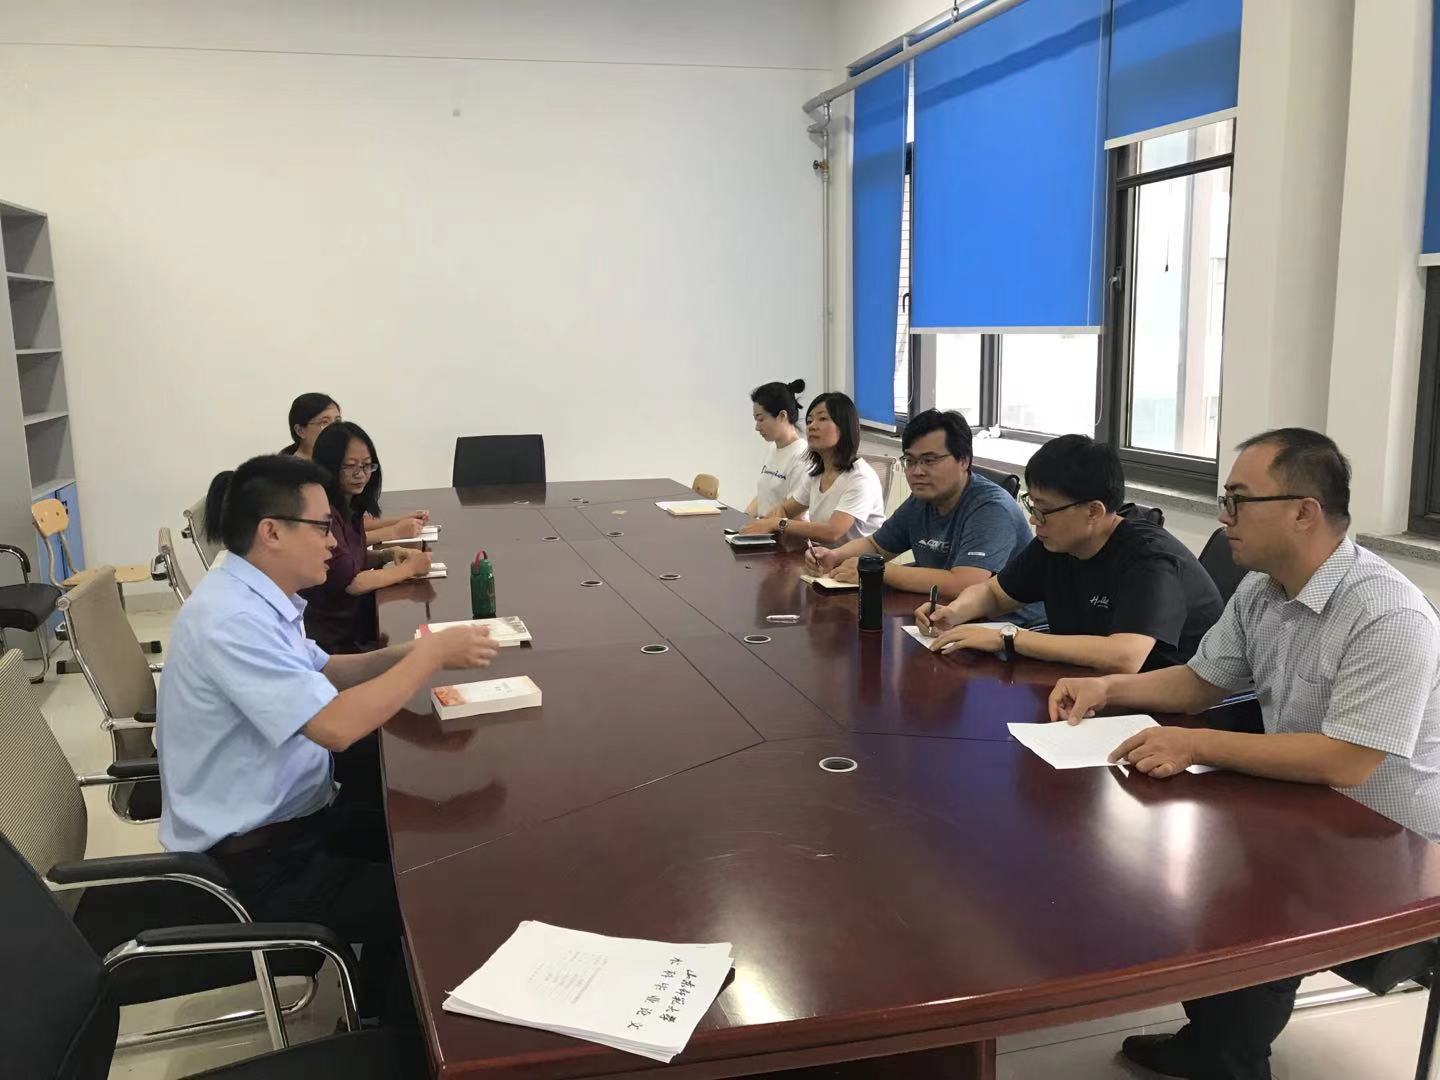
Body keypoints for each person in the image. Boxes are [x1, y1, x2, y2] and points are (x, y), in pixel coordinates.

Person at [1048, 428, 1440, 1080]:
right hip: (1306, 807)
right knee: (1167, 854)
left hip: (1394, 845)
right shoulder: (1263, 589)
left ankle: (1229, 1060)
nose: (1223, 518)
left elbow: (1347, 761)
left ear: (1303, 512)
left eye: (1237, 500)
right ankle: (1216, 1045)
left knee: (1243, 885)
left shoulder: (1387, 615)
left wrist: (1197, 742)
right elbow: (1200, 682)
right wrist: (1107, 689)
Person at [157, 454, 499, 1023]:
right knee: (435, 898)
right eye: (322, 527)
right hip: (259, 864)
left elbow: (326, 670)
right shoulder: (231, 620)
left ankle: (377, 999)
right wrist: (430, 658)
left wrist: (415, 650)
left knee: (439, 835)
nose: (336, 542)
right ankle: (390, 1035)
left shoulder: (254, 593)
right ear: (272, 532)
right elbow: (335, 727)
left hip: (297, 815)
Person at [917, 434, 1221, 673]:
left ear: (1093, 511)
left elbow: (1125, 656)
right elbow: (994, 593)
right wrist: (954, 612)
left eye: (1044, 509)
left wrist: (1008, 637)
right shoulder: (1056, 543)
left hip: (1169, 708)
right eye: (1032, 505)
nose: (1034, 519)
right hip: (1086, 686)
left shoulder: (1150, 559)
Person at [806, 409, 1041, 616]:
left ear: (964, 461)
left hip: (1009, 627)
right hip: (941, 615)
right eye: (910, 461)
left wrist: (879, 571)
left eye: (929, 461)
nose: (917, 471)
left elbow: (965, 583)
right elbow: (877, 546)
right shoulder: (921, 500)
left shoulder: (991, 508)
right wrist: (835, 556)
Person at [302, 421, 431, 654]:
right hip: (333, 643)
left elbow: (350, 559)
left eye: (367, 465)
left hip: (355, 626)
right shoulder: (324, 512)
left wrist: (388, 554)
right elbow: (352, 582)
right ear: (329, 467)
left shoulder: (349, 506)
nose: (360, 474)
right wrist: (409, 569)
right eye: (350, 466)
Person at [738, 391, 886, 546]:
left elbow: (832, 532)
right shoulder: (816, 474)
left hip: (855, 560)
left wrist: (778, 523)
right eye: (809, 421)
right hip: (821, 556)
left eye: (822, 419)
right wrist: (766, 523)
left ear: (844, 427)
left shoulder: (860, 478)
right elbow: (785, 510)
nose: (812, 426)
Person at [279, 393, 429, 543]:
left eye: (338, 421)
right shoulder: (293, 476)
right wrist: (394, 531)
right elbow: (335, 541)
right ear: (300, 430)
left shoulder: (332, 467)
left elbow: (349, 523)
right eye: (325, 422)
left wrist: (400, 520)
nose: (335, 428)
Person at [744, 379, 811, 518]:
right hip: (764, 526)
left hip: (782, 529)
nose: (757, 427)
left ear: (782, 416)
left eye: (761, 419)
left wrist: (760, 526)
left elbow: (794, 514)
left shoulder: (802, 456)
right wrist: (743, 518)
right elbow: (764, 496)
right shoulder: (774, 448)